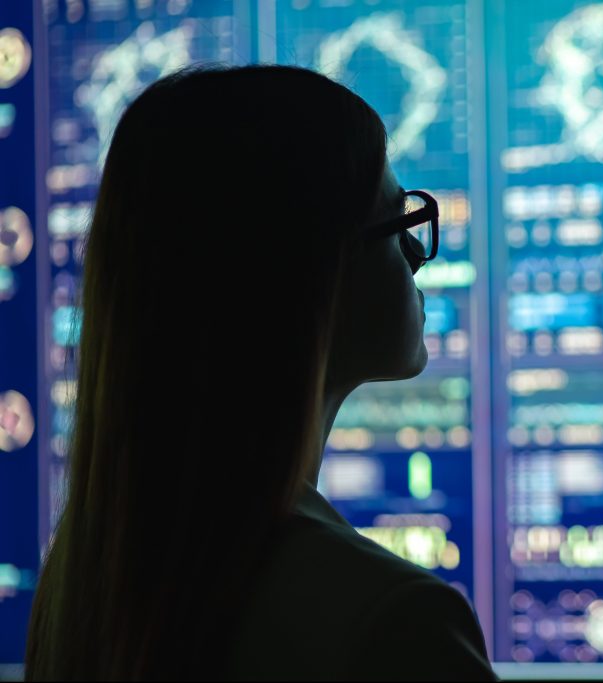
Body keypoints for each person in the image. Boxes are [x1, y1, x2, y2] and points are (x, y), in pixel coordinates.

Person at [25, 65, 496, 682]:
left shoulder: (82, 584)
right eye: (397, 222)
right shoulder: (397, 623)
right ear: (310, 276)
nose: (418, 256)